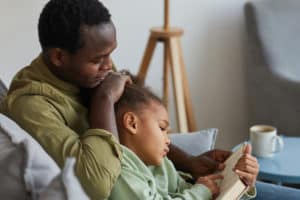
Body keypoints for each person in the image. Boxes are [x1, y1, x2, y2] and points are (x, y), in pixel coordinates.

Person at [1, 0, 300, 199]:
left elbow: (138, 132)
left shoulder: (89, 72)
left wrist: (192, 162)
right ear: (58, 57)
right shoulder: (32, 105)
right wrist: (104, 98)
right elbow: (96, 181)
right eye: (99, 59)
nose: (109, 67)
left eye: (111, 54)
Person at [109, 84, 257, 200]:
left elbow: (186, 190)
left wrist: (238, 183)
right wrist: (200, 192)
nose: (168, 140)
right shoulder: (122, 171)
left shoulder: (162, 164)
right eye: (162, 128)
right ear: (132, 123)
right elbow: (196, 194)